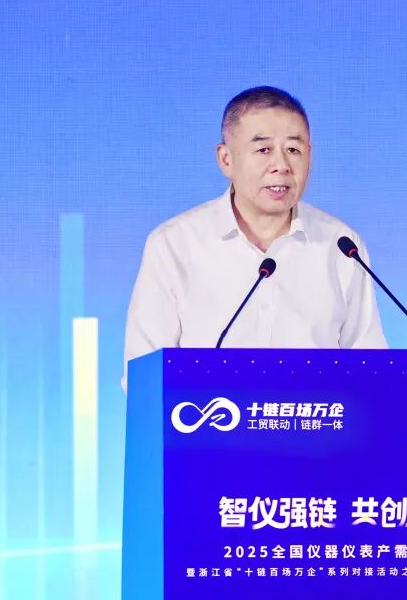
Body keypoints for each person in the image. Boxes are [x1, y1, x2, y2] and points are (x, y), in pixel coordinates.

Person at [122, 86, 387, 386]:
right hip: (209, 415)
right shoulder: (174, 245)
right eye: (263, 150)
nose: (282, 166)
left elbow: (372, 370)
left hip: (313, 416)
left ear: (310, 157)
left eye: (293, 150)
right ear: (226, 159)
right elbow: (143, 375)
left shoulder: (341, 246)